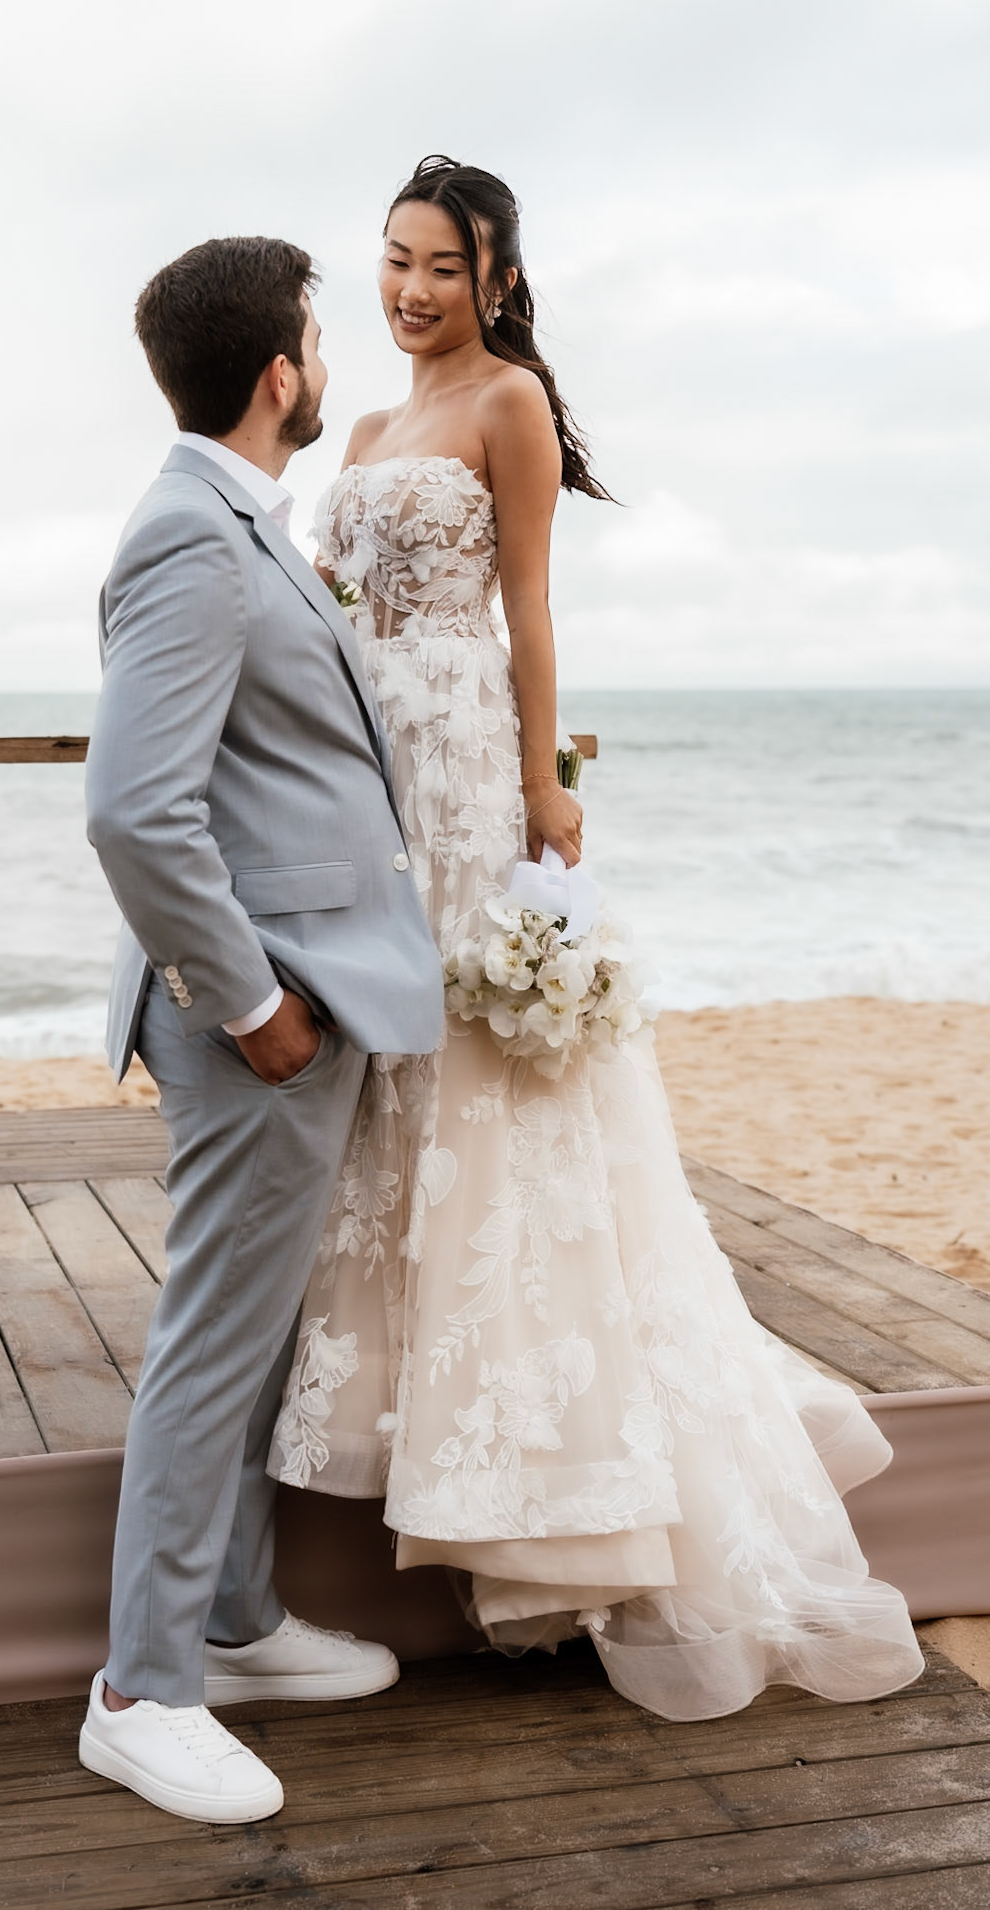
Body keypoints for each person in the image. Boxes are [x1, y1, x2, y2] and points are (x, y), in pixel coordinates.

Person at [269, 157, 924, 1721]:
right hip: (373, 783)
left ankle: (575, 1496)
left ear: (495, 281)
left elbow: (530, 616)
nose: (413, 290)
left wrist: (543, 792)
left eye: (444, 267)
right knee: (396, 1072)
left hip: (470, 770)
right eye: (395, 260)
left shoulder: (506, 406)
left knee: (498, 1085)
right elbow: (331, 615)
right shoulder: (357, 433)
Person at [81, 236, 444, 1821]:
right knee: (213, 1341)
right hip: (261, 1011)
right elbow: (133, 814)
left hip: (310, 984)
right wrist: (252, 1004)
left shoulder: (242, 523)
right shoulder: (193, 536)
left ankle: (228, 1622)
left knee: (259, 1331)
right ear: (279, 371)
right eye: (317, 329)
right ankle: (141, 1687)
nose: (326, 353)